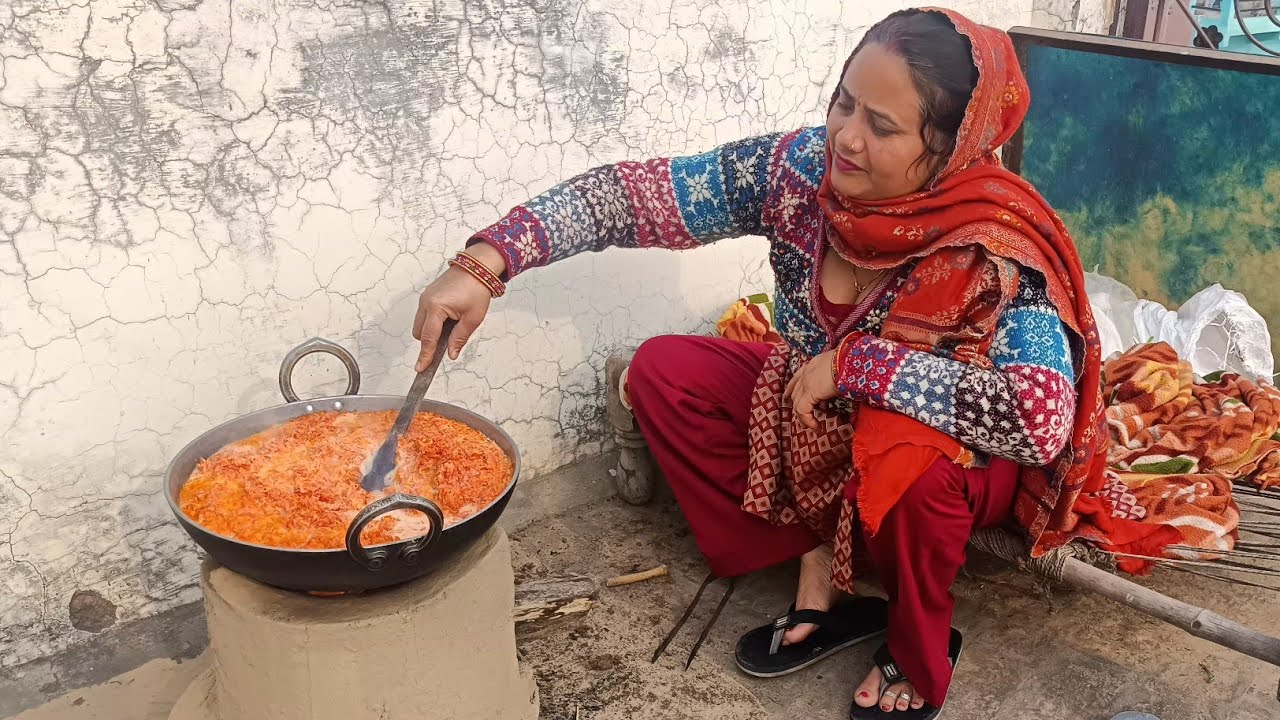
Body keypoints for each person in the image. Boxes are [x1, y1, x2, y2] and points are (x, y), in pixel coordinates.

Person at [412, 7, 1106, 718]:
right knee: (663, 375)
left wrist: (859, 367)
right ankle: (819, 569)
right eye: (844, 102)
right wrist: (489, 260)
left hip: (953, 461)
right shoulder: (799, 173)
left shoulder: (996, 247)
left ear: (952, 147)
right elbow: (635, 196)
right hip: (814, 411)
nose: (846, 137)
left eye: (883, 126)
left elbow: (1036, 417)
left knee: (909, 464)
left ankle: (915, 643)